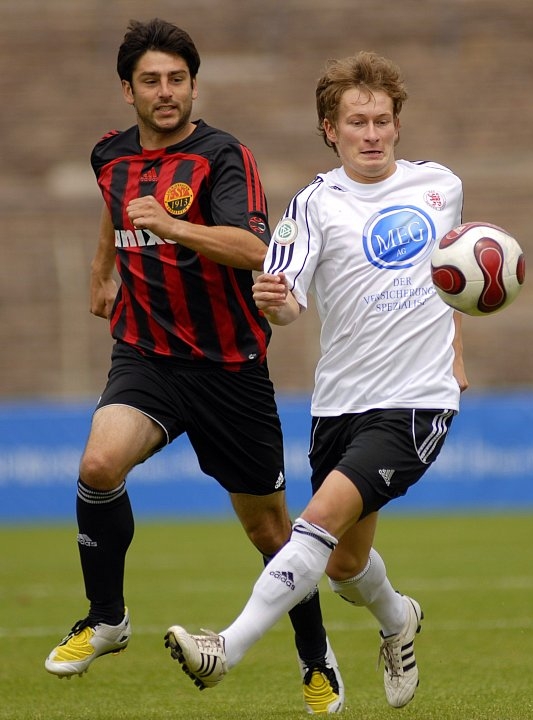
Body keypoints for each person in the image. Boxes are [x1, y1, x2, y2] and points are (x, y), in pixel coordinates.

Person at [44, 18, 344, 714]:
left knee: (271, 532)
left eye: (177, 79)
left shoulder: (222, 157)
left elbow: (253, 249)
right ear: (128, 90)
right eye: (150, 80)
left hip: (228, 366)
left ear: (193, 86)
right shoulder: (109, 155)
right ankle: (107, 618)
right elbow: (117, 206)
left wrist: (172, 225)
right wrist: (101, 270)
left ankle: (315, 656)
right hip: (146, 354)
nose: (166, 91)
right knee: (98, 466)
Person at [163, 51, 469, 710]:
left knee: (315, 521)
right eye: (357, 122)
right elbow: (288, 304)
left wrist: (457, 355)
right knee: (344, 565)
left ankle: (226, 648)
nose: (371, 134)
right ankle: (398, 619)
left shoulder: (441, 187)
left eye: (381, 121)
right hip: (339, 405)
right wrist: (275, 300)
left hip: (416, 401)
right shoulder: (312, 204)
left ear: (397, 123)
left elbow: (454, 279)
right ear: (330, 128)